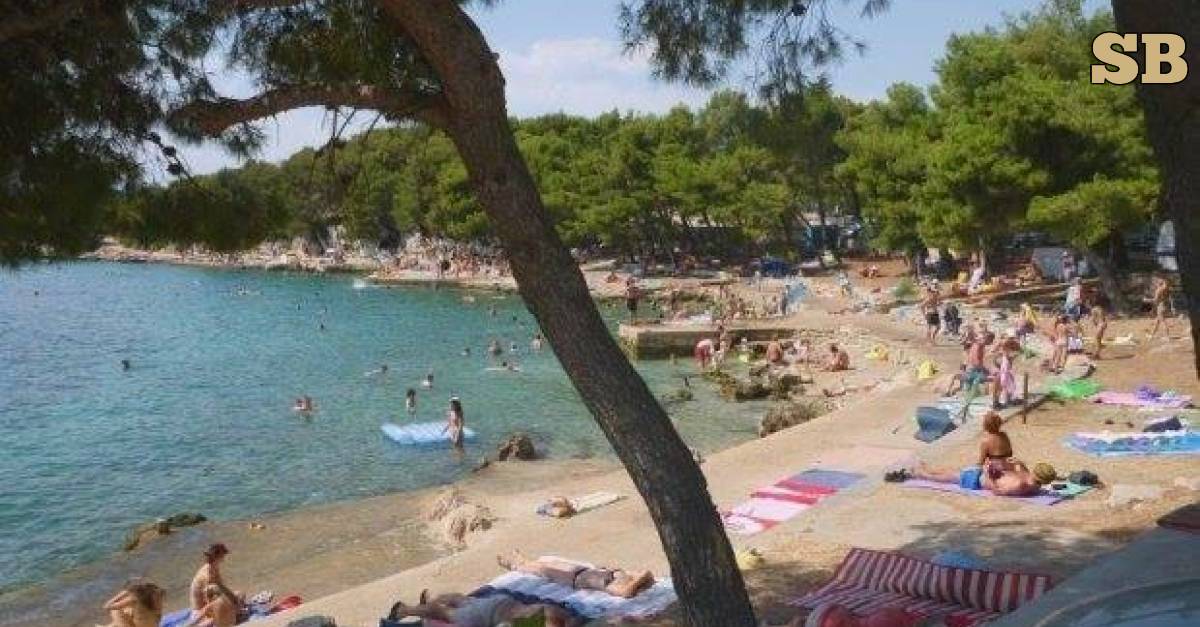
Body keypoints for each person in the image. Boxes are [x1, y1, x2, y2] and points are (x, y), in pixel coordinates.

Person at [496, 551, 656, 599]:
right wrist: (638, 578)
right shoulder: (626, 577)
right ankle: (523, 560)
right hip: (581, 570)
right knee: (547, 564)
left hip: (574, 578)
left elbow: (626, 593)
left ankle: (514, 564)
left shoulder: (618, 586)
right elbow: (648, 574)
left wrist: (637, 580)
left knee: (540, 569)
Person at [386, 591, 579, 627]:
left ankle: (429, 601)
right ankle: (405, 610)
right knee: (444, 613)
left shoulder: (553, 611)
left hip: (501, 601)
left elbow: (573, 619)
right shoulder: (531, 624)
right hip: (486, 615)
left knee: (460, 599)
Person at [190, 544, 237, 614]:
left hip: (210, 604)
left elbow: (222, 587)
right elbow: (209, 599)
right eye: (223, 555)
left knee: (238, 595)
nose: (224, 557)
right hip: (201, 611)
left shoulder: (214, 567)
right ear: (217, 556)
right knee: (227, 604)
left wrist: (234, 599)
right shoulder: (206, 574)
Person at [1148, 275, 1173, 340]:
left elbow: (1155, 300)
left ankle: (1168, 336)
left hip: (1160, 307)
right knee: (1157, 322)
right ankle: (1152, 335)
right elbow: (1169, 299)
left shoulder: (1159, 290)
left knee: (1163, 322)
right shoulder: (1167, 290)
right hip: (1165, 306)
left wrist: (1146, 300)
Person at [1089, 294, 1109, 359]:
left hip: (1100, 324)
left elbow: (1094, 319)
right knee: (1098, 339)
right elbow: (1102, 317)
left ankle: (1096, 354)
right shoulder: (1100, 308)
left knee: (1097, 339)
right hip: (1102, 324)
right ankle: (1097, 353)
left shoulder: (1094, 309)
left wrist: (1095, 324)